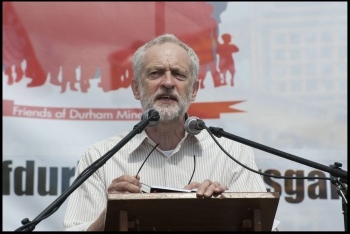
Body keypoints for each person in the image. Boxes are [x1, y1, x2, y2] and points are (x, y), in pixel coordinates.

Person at [63, 33, 279, 231]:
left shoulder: (233, 155)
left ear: (193, 90)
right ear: (136, 88)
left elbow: (269, 227)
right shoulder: (99, 158)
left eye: (178, 74)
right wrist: (110, 213)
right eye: (156, 73)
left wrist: (228, 209)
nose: (167, 83)